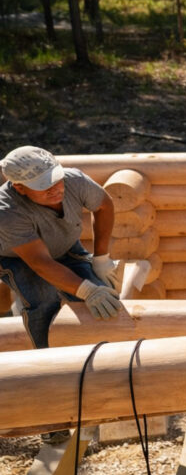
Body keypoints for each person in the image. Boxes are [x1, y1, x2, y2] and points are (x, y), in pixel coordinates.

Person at [0, 146, 122, 351]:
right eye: (43, 186)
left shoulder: (75, 180)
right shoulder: (7, 211)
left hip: (62, 244)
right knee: (44, 298)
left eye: (56, 179)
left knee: (104, 295)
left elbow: (104, 205)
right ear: (20, 188)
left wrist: (101, 259)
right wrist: (87, 291)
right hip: (15, 256)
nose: (55, 188)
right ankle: (47, 358)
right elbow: (40, 263)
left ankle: (103, 352)